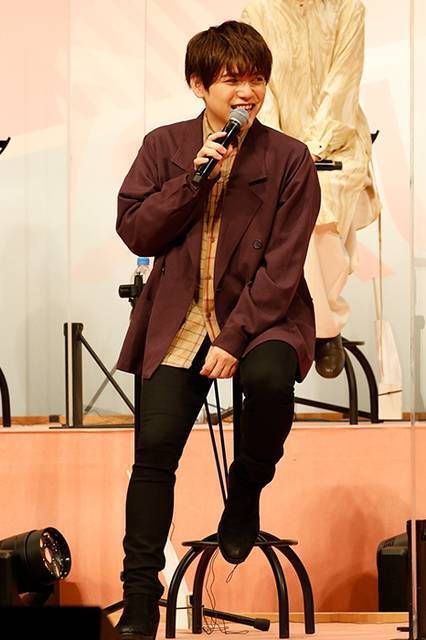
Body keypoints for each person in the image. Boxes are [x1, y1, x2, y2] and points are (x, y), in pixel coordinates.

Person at [115, 20, 320, 640]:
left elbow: (283, 266)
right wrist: (193, 178)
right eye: (232, 79)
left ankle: (247, 488)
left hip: (262, 316)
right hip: (179, 317)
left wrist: (234, 337)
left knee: (269, 381)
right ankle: (140, 601)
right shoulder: (165, 146)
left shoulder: (288, 158)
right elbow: (137, 230)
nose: (247, 92)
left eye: (256, 78)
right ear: (198, 84)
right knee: (153, 455)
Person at [241, 0, 381, 378]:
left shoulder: (347, 9)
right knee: (276, 211)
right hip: (275, 145)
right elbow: (258, 89)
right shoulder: (258, 13)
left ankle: (324, 326)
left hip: (338, 144)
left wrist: (313, 147)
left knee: (322, 209)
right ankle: (294, 318)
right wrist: (282, 150)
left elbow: (343, 84)